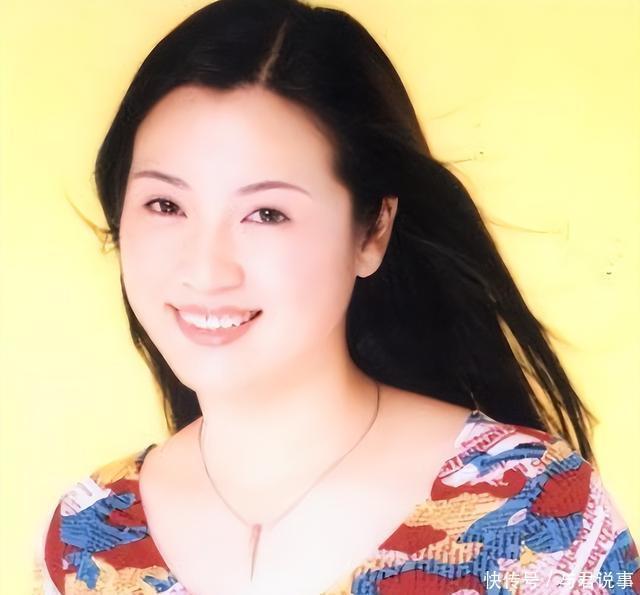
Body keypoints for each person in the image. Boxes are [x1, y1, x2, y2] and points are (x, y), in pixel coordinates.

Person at [34, 0, 639, 593]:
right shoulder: (87, 536)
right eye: (166, 205)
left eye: (266, 213)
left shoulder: (536, 508)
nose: (205, 269)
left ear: (372, 230)